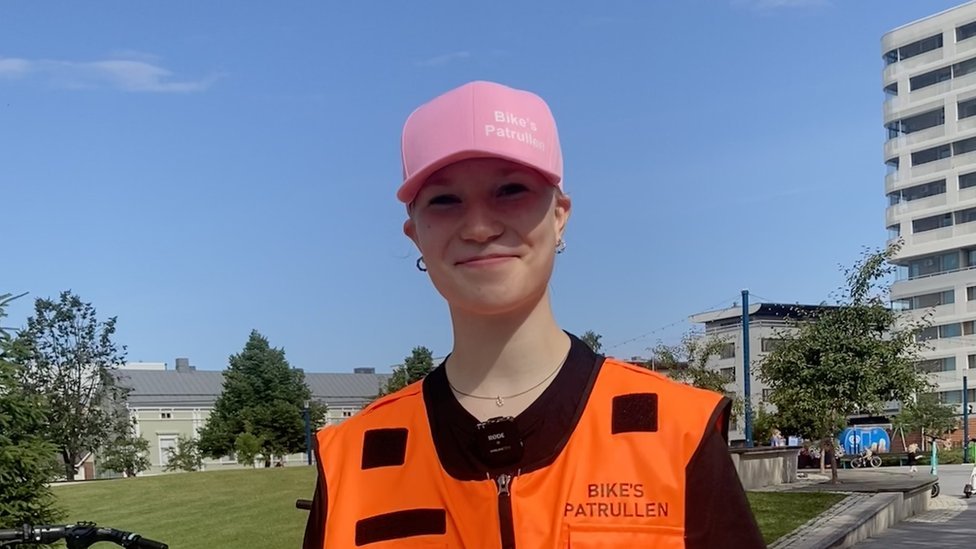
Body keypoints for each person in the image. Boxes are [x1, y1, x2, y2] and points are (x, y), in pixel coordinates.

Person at [302, 80, 764, 548]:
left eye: (510, 190)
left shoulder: (676, 429)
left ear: (560, 214)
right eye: (444, 200)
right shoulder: (355, 457)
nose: (479, 226)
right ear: (414, 234)